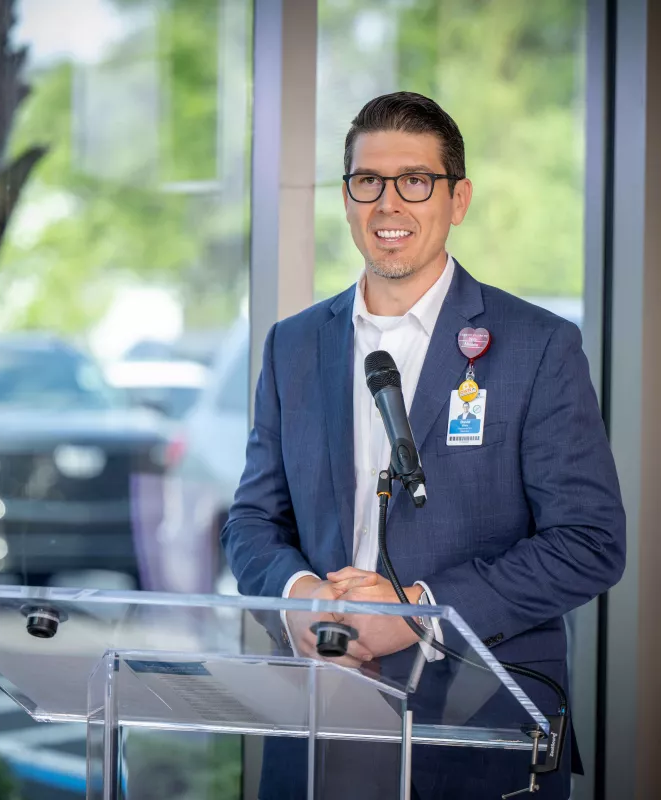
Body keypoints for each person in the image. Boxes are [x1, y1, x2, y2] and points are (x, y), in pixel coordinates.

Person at [221, 92, 625, 799]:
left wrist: (417, 611)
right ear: (346, 199)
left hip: (477, 726)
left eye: (415, 181)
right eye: (366, 182)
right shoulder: (293, 344)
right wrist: (302, 600)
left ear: (457, 198)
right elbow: (253, 522)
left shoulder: (536, 346)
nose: (388, 205)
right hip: (322, 718)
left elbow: (590, 542)